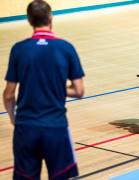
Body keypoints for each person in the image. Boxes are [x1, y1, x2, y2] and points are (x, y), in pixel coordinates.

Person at [3, 0, 84, 179]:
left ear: (29, 21)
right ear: (50, 18)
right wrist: (54, 87)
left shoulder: (19, 49)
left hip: (26, 128)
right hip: (55, 127)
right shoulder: (66, 48)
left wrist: (13, 118)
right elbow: (79, 91)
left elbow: (8, 95)